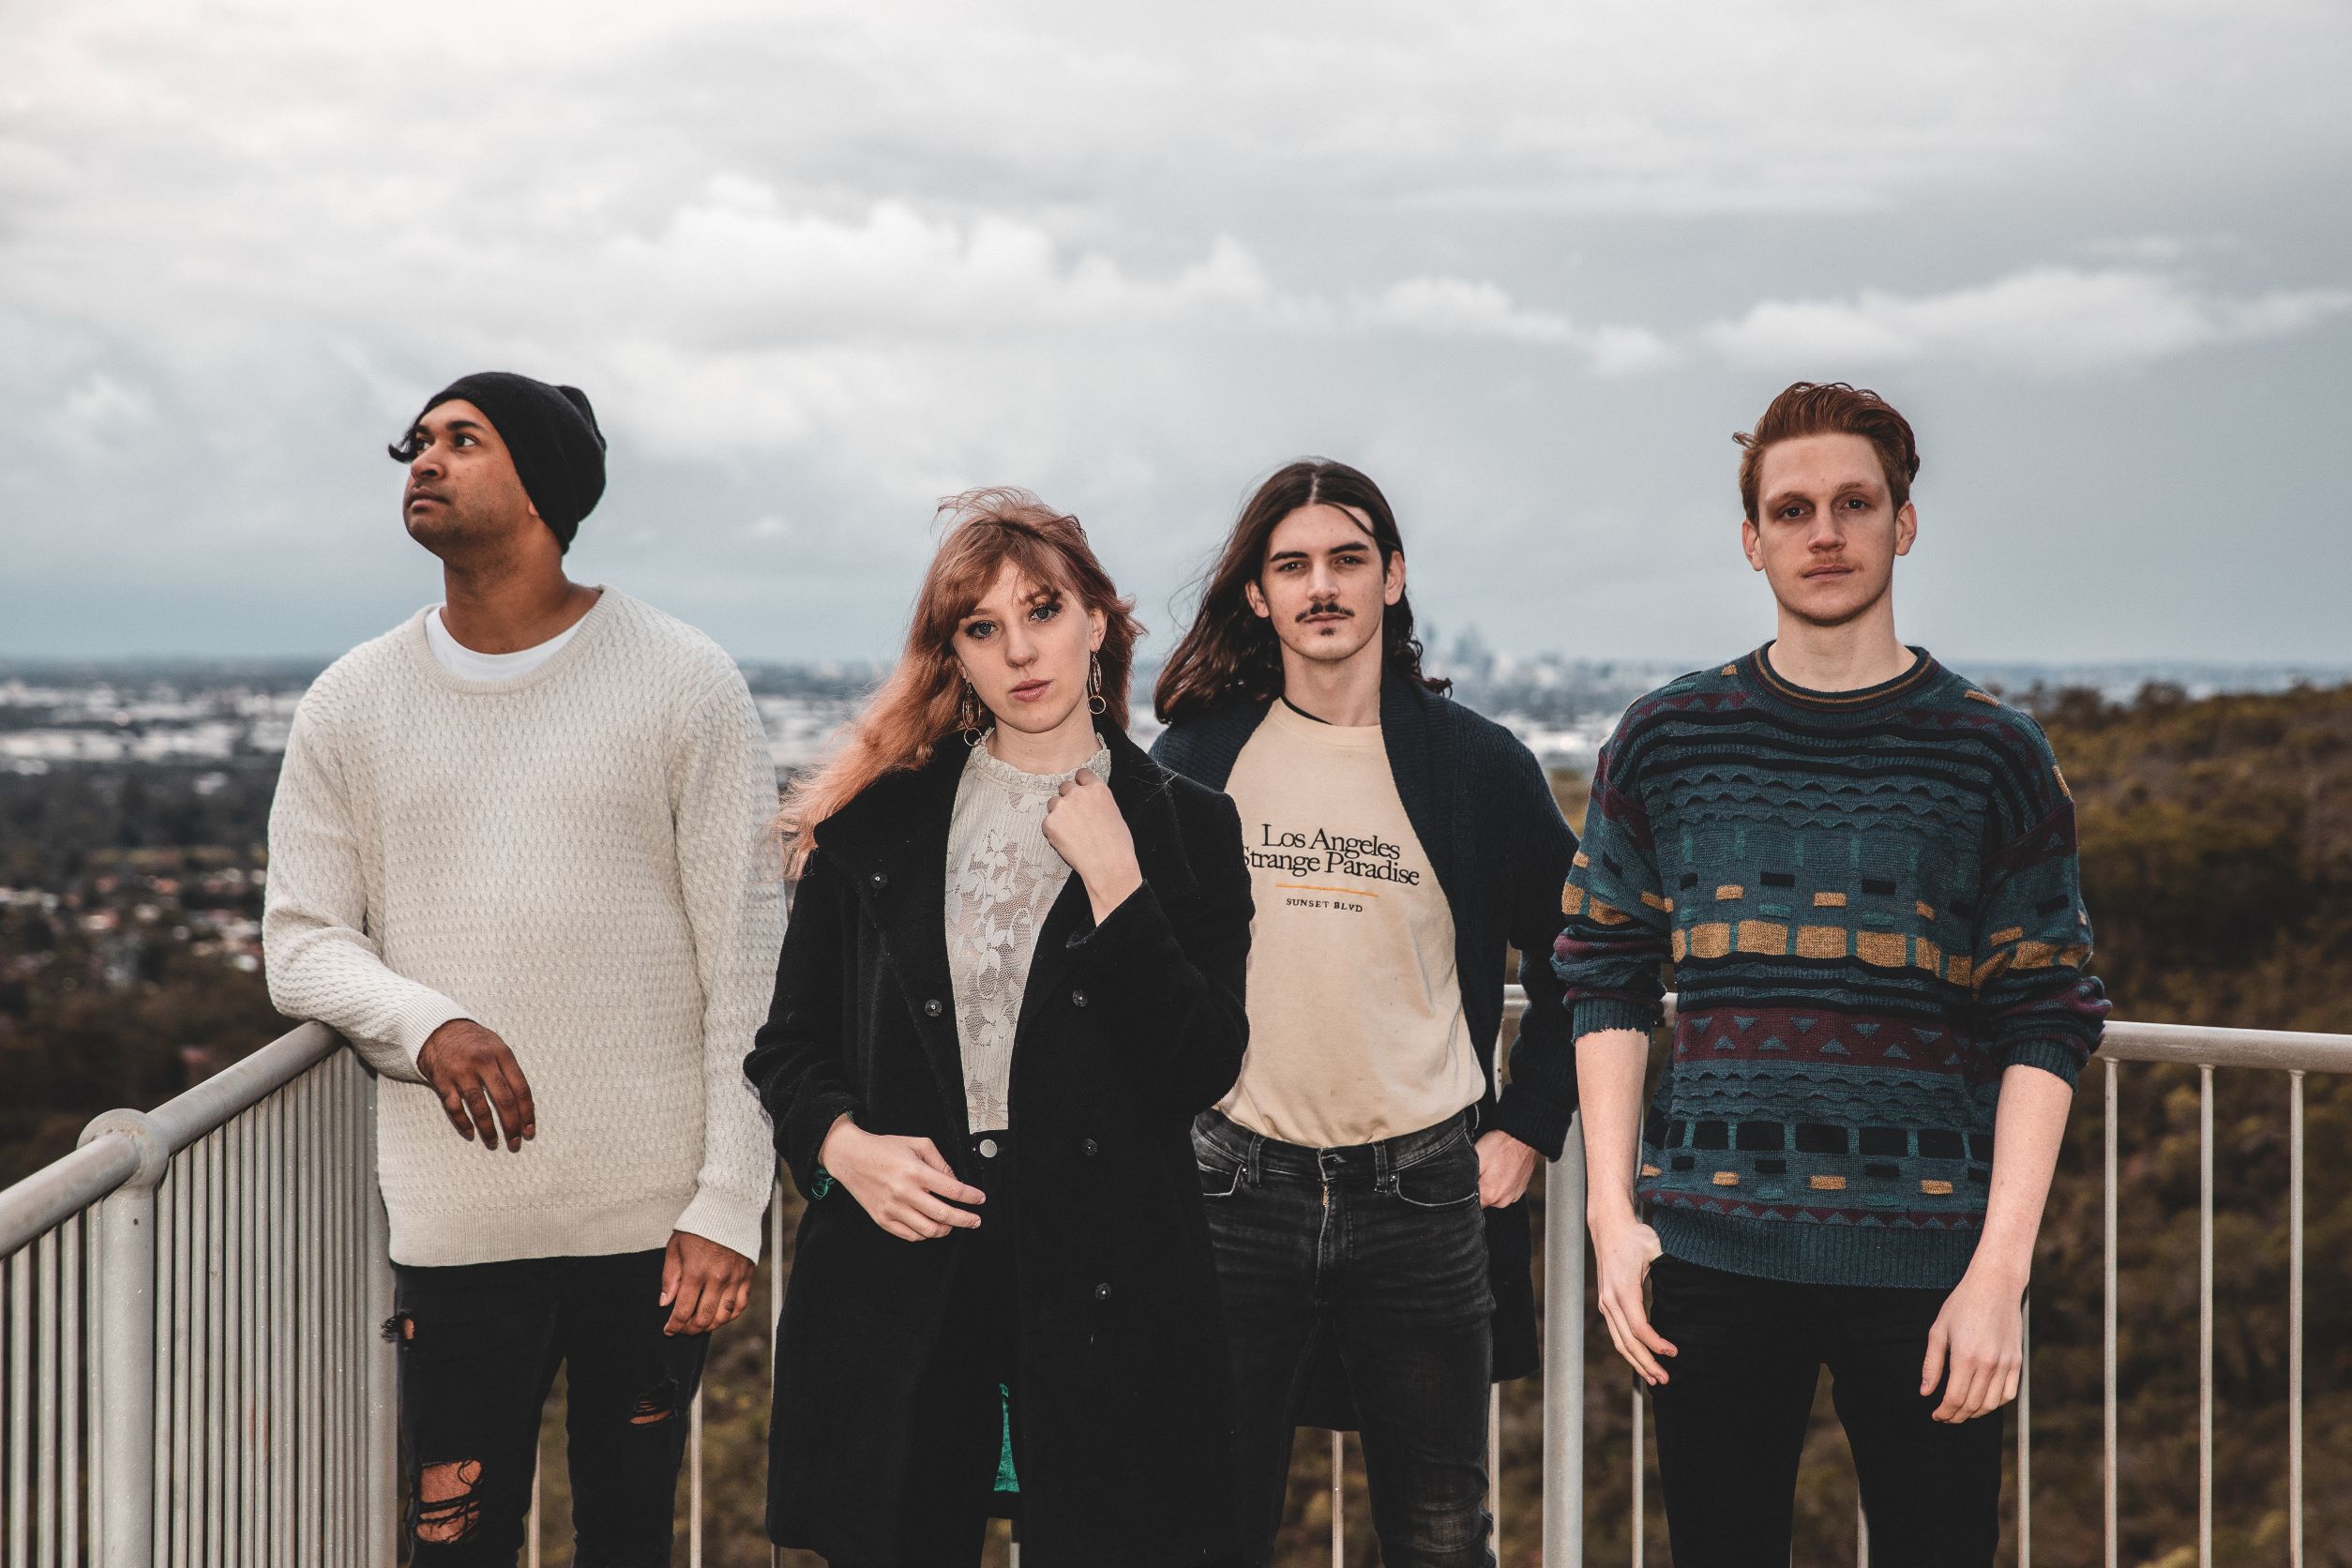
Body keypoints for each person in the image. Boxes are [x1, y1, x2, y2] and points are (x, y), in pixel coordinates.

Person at [1556, 382, 2110, 1566]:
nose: (1826, 532)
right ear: (1751, 539)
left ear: (1903, 524)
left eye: (1855, 503)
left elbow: (2047, 1014)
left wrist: (1999, 1274)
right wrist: (1614, 1219)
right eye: (1793, 508)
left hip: (1929, 1264)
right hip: (1707, 1250)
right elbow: (1602, 971)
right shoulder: (1665, 740)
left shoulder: (1993, 755)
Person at [263, 372, 783, 1565]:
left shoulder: (683, 679)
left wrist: (729, 1202)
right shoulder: (353, 700)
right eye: (419, 443)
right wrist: (425, 1021)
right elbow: (300, 938)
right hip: (456, 1231)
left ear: (546, 484)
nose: (424, 463)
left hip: (653, 1235)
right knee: (453, 1542)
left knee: (626, 1537)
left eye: (463, 440)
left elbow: (750, 963)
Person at [745, 490, 1252, 1568]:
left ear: (1098, 621)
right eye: (983, 626)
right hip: (907, 1272)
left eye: (1044, 610)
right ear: (954, 656)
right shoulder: (871, 821)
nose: (1021, 649)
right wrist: (844, 1148)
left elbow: (1202, 1063)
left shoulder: (1190, 827)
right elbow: (788, 1047)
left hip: (1108, 1275)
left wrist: (1120, 886)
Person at [1152, 460, 1578, 1568]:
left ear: (1394, 578)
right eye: (1291, 565)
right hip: (1231, 1182)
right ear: (1258, 595)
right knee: (1207, 1519)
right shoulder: (1198, 759)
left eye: (1347, 559)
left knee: (1440, 1533)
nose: (1321, 586)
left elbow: (1588, 946)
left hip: (1424, 1190)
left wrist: (1529, 1121)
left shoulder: (1479, 765)